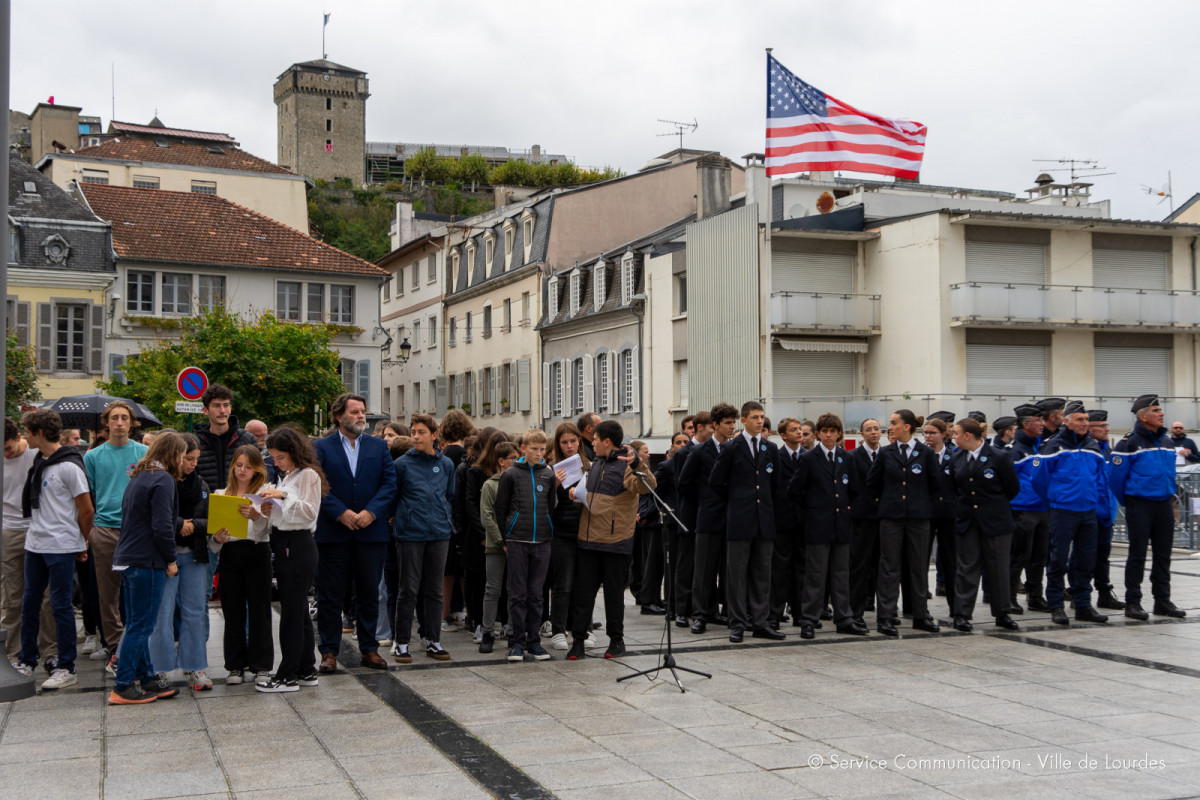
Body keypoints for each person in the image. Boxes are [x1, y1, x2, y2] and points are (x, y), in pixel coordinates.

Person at [313, 393, 398, 672]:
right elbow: (318, 484)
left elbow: (389, 483)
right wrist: (341, 512)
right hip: (334, 532)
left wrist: (371, 512)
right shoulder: (321, 447)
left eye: (363, 411)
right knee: (330, 594)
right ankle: (328, 651)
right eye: (355, 412)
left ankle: (370, 648)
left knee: (369, 592)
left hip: (370, 531)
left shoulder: (377, 446)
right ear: (339, 416)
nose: (361, 416)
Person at [14, 409, 93, 690]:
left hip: (61, 544)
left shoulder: (69, 466)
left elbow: (86, 509)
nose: (24, 436)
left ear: (38, 432)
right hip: (35, 543)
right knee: (30, 603)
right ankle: (27, 659)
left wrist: (83, 541)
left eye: (26, 431)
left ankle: (66, 666)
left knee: (60, 606)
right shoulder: (40, 460)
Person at [566, 420, 655, 660]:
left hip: (616, 542)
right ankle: (578, 642)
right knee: (583, 594)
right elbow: (590, 498)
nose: (591, 443)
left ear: (607, 441)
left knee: (614, 595)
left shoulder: (627, 467)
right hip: (588, 541)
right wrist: (575, 494)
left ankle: (616, 641)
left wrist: (638, 464)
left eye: (595, 440)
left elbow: (647, 486)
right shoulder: (594, 465)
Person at [109, 432, 185, 705]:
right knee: (141, 626)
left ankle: (147, 677)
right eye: (182, 454)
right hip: (146, 561)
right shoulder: (163, 479)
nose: (183, 460)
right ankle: (123, 684)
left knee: (135, 623)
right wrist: (171, 559)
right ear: (173, 454)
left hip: (128, 557)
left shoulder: (140, 476)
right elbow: (162, 526)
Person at [254, 427, 323, 692]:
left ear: (294, 452)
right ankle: (306, 669)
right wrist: (267, 508)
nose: (277, 463)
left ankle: (288, 675)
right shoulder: (290, 476)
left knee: (292, 613)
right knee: (297, 611)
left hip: (297, 544)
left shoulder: (308, 475)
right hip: (285, 542)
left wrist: (281, 496)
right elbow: (286, 512)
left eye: (280, 457)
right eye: (273, 458)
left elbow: (308, 512)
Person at [866, 410, 943, 636]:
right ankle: (886, 617)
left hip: (918, 518)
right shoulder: (886, 452)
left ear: (907, 427)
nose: (889, 427)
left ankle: (920, 615)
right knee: (889, 567)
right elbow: (872, 482)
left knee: (918, 567)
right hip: (891, 518)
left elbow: (936, 483)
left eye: (894, 423)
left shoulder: (925, 453)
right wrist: (889, 500)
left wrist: (918, 502)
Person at [83, 400, 148, 673]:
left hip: (137, 530)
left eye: (124, 418)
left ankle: (136, 646)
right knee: (107, 594)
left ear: (132, 423)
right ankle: (115, 650)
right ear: (106, 423)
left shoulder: (144, 452)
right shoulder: (93, 456)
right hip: (105, 529)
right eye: (115, 418)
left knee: (138, 592)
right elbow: (91, 495)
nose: (120, 422)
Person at [711, 401, 783, 643]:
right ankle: (738, 622)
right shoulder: (731, 448)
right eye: (754, 417)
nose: (760, 421)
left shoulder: (770, 448)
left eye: (762, 417)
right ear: (743, 420)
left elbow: (776, 485)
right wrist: (736, 501)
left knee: (762, 574)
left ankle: (761, 622)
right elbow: (716, 482)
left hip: (764, 519)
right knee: (737, 575)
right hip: (740, 520)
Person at [788, 413, 865, 640]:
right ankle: (809, 619)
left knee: (841, 575)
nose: (829, 435)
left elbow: (855, 489)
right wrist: (812, 512)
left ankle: (844, 618)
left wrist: (847, 508)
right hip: (817, 526)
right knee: (815, 575)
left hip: (840, 525)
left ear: (839, 433)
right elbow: (795, 490)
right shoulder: (809, 458)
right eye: (825, 431)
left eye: (833, 431)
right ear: (819, 433)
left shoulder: (846, 458)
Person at [1033, 400, 1110, 625]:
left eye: (1086, 419)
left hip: (1088, 511)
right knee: (1058, 559)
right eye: (1080, 419)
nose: (1085, 423)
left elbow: (1099, 478)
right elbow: (1039, 480)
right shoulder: (1054, 446)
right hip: (1063, 510)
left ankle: (1083, 604)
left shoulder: (1092, 446)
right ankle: (1056, 605)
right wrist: (1055, 498)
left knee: (1086, 560)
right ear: (1066, 421)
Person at [1112, 395, 1186, 620]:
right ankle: (1133, 602)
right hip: (1140, 503)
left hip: (1163, 502)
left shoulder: (1166, 441)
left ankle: (1162, 600)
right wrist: (1129, 502)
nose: (1161, 413)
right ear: (1143, 416)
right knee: (1138, 554)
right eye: (1155, 410)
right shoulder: (1129, 442)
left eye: (1160, 410)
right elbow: (1115, 479)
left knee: (1163, 554)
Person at [148, 433, 213, 691]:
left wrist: (193, 525)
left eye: (196, 459)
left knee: (195, 612)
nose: (193, 464)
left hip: (195, 553)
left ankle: (195, 667)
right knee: (162, 614)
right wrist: (180, 525)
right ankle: (160, 670)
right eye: (188, 458)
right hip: (165, 555)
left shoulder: (202, 485)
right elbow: (155, 516)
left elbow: (212, 520)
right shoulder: (161, 481)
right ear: (175, 456)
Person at [391, 414, 455, 664]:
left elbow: (449, 494)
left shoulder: (446, 464)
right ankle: (402, 642)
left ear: (434, 435)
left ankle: (433, 640)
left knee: (434, 590)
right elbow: (394, 496)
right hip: (410, 533)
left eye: (420, 432)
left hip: (439, 531)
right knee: (408, 589)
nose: (415, 436)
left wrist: (442, 517)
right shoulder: (402, 464)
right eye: (413, 432)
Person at [948, 418, 1020, 632]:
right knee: (966, 568)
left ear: (967, 435)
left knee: (998, 568)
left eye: (956, 433)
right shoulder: (956, 457)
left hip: (995, 520)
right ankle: (962, 614)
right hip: (968, 520)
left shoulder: (999, 457)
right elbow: (954, 487)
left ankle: (1002, 612)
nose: (953, 437)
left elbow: (1012, 488)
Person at [210, 445, 274, 685]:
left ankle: (262, 666)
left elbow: (270, 528)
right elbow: (213, 532)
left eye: (248, 466)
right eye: (239, 465)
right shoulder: (222, 492)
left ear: (257, 468)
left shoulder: (266, 492)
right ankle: (235, 665)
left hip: (258, 552)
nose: (242, 470)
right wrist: (216, 538)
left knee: (260, 610)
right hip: (230, 552)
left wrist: (256, 516)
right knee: (232, 610)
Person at [493, 429, 556, 662]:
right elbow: (500, 508)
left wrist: (548, 528)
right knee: (518, 594)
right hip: (517, 540)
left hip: (542, 541)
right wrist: (506, 536)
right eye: (534, 449)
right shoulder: (510, 474)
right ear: (523, 449)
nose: (538, 453)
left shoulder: (548, 475)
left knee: (537, 595)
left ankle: (535, 643)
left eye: (542, 449)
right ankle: (516, 643)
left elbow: (551, 506)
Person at [3, 418, 54, 668]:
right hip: (9, 530)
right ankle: (14, 653)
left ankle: (49, 651)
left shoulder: (35, 454)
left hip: (36, 526)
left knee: (45, 595)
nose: (6, 454)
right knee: (12, 596)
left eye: (8, 448)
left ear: (18, 438)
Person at [681, 403, 736, 634]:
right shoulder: (699, 451)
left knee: (730, 570)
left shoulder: (735, 449)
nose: (732, 427)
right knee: (703, 570)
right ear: (715, 425)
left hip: (732, 518)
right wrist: (706, 498)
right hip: (708, 517)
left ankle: (727, 612)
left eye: (734, 422)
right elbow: (684, 483)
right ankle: (701, 615)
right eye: (728, 423)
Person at [547, 423, 591, 650]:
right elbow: (545, 506)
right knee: (562, 583)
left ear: (579, 441)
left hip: (585, 531)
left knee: (583, 584)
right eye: (564, 442)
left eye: (573, 441)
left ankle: (581, 629)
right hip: (562, 532)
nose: (569, 446)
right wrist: (553, 485)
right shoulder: (551, 468)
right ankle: (558, 630)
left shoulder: (589, 466)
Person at [670, 411, 711, 629]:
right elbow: (682, 484)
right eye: (711, 427)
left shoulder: (712, 449)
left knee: (704, 565)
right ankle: (681, 610)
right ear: (700, 428)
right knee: (686, 564)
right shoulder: (683, 453)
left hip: (709, 514)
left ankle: (705, 608)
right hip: (689, 513)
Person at [479, 441, 519, 654]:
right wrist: (502, 542)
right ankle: (488, 632)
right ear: (501, 462)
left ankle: (513, 632)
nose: (517, 462)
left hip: (516, 544)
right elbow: (486, 516)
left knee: (514, 590)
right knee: (492, 590)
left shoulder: (519, 482)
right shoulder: (490, 485)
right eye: (513, 458)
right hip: (496, 546)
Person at [1008, 404, 1049, 614]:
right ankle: (1010, 597)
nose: (1043, 424)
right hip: (1022, 509)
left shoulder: (1040, 446)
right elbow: (1010, 482)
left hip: (1042, 508)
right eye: (1038, 421)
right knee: (1019, 556)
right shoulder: (1015, 451)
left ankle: (1035, 596)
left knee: (1039, 556)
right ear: (1025, 425)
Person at [438, 409, 475, 634]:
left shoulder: (441, 456)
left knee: (446, 573)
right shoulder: (466, 455)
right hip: (463, 521)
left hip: (445, 518)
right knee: (465, 572)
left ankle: (443, 616)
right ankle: (469, 614)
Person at [644, 433, 687, 617]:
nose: (683, 445)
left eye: (685, 441)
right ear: (672, 447)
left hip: (685, 520)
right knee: (667, 564)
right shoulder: (666, 466)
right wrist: (646, 513)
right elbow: (654, 493)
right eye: (679, 442)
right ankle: (669, 603)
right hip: (668, 519)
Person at [769, 419, 804, 630]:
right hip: (782, 520)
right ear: (783, 435)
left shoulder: (809, 456)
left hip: (803, 521)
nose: (799, 433)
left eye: (800, 429)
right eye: (794, 430)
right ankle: (774, 614)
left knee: (802, 570)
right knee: (779, 571)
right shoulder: (777, 457)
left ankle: (801, 614)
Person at [849, 418, 883, 625]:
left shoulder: (887, 455)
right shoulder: (853, 456)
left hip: (883, 516)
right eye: (868, 430)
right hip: (862, 518)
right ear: (861, 434)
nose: (873, 433)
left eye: (876, 429)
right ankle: (856, 611)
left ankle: (886, 611)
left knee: (883, 566)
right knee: (859, 566)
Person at [195, 385, 257, 492]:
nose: (222, 411)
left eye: (226, 405)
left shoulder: (247, 439)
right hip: (206, 505)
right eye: (216, 406)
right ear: (205, 410)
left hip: (239, 503)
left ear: (230, 408)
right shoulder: (196, 442)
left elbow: (259, 474)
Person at [924, 418, 957, 608]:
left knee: (951, 560)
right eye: (926, 433)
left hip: (948, 514)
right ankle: (919, 606)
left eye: (932, 432)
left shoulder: (953, 457)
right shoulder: (921, 456)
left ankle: (955, 606)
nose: (928, 436)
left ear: (944, 434)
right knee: (922, 560)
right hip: (927, 513)